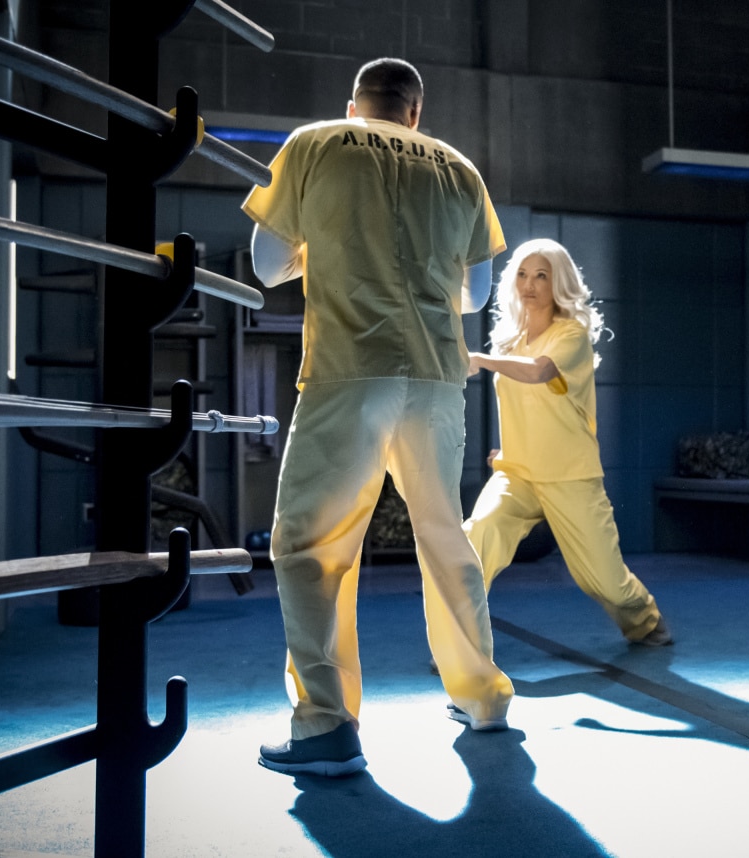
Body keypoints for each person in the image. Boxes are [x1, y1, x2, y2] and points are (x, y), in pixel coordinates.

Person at [241, 57, 515, 776]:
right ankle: (483, 698)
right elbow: (473, 297)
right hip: (436, 377)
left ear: (353, 105)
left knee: (313, 545)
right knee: (445, 537)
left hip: (349, 369)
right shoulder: (461, 169)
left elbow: (266, 266)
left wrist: (328, 252)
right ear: (416, 112)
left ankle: (326, 726)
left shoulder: (314, 142)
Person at [463, 238, 672, 647]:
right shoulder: (510, 342)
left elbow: (539, 372)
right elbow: (527, 405)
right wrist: (510, 448)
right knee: (477, 538)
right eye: (523, 274)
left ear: (558, 283)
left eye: (541, 276)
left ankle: (645, 621)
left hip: (570, 476)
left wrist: (481, 360)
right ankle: (460, 646)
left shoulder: (572, 336)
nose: (530, 284)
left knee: (605, 582)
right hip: (518, 474)